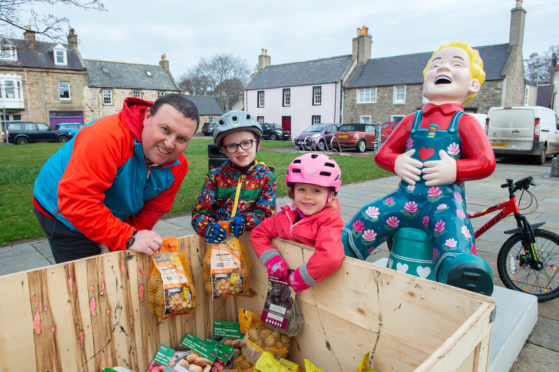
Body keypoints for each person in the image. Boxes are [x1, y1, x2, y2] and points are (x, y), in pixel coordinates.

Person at [342, 41, 496, 294]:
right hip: (405, 198)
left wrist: (455, 170)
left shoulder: (464, 122)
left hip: (443, 201)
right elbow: (383, 153)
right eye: (436, 64)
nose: (443, 66)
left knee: (454, 228)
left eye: (456, 64)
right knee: (370, 213)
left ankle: (458, 267)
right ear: (425, 79)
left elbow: (486, 162)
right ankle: (345, 247)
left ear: (473, 85)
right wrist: (397, 161)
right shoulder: (412, 120)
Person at [33, 94, 199, 263]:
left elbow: (153, 210)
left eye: (181, 139)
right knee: (89, 278)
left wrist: (121, 239)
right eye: (165, 129)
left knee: (122, 263)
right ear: (148, 116)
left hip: (105, 206)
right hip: (60, 207)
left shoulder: (177, 165)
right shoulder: (107, 137)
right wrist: (126, 237)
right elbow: (77, 201)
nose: (170, 144)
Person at [250, 153, 344, 292]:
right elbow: (258, 233)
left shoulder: (328, 222)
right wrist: (272, 260)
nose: (307, 196)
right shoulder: (285, 216)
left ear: (329, 195)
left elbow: (330, 256)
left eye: (316, 190)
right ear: (293, 192)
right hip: (284, 285)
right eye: (301, 189)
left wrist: (301, 278)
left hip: (319, 290)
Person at [191, 110, 276, 243]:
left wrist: (246, 221)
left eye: (246, 143)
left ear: (258, 144)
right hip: (220, 244)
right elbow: (200, 213)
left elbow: (266, 214)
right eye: (232, 146)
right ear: (224, 150)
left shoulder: (266, 177)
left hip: (251, 243)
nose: (240, 150)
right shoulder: (215, 177)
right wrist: (207, 227)